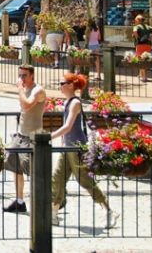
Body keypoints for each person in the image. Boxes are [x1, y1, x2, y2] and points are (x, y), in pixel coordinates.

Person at [50, 73, 119, 229]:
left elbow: (68, 126)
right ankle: (53, 213)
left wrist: (49, 137)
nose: (59, 85)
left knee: (85, 181)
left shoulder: (75, 103)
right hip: (67, 148)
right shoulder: (67, 102)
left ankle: (108, 210)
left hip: (77, 148)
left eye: (62, 83)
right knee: (57, 178)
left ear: (71, 85)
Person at [4, 63, 46, 213]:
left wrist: (20, 89)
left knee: (34, 170)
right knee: (15, 167)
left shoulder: (37, 90)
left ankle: (49, 199)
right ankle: (20, 201)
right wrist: (22, 89)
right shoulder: (25, 89)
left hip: (33, 138)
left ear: (32, 75)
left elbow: (27, 105)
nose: (21, 78)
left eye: (24, 75)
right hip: (20, 135)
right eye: (20, 75)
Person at [132, 14, 152, 82]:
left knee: (141, 60)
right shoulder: (147, 26)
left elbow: (134, 31)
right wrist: (151, 35)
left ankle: (144, 77)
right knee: (145, 60)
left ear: (138, 20)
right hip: (148, 45)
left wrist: (137, 37)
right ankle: (141, 74)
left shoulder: (137, 26)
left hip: (140, 45)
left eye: (135, 20)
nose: (135, 21)